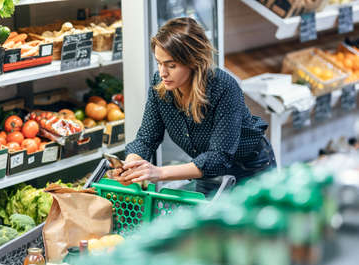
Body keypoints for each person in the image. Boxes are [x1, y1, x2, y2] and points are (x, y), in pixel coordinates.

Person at [112, 17, 276, 194]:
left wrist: (158, 173)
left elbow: (219, 157)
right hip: (206, 170)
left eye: (171, 65)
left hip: (251, 169)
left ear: (193, 61)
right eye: (159, 63)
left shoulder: (224, 87)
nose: (163, 73)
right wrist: (131, 164)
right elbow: (147, 137)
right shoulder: (160, 86)